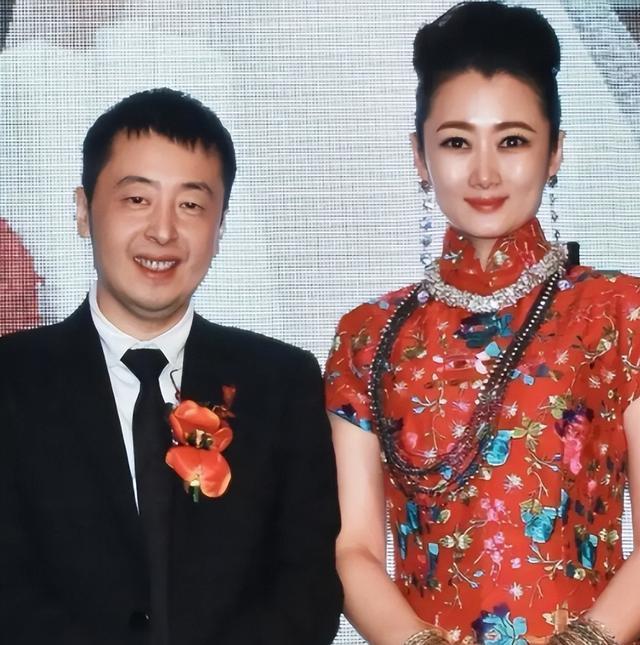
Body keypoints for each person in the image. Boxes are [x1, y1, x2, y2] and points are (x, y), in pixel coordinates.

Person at [325, 3, 640, 644]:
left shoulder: (618, 311)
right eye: (457, 142)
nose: (485, 172)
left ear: (555, 151)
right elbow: (354, 547)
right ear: (420, 156)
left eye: (513, 140)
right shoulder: (368, 336)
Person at [0, 88, 342, 645]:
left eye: (191, 205)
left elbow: (308, 589)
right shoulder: (13, 382)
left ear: (220, 226)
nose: (163, 231)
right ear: (83, 210)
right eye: (137, 199)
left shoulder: (282, 383)